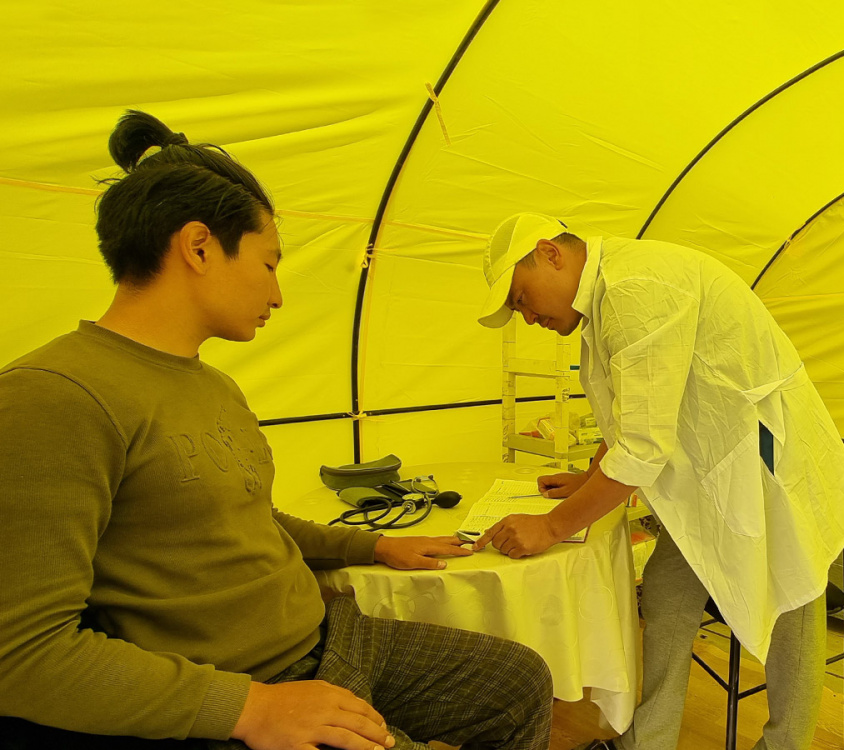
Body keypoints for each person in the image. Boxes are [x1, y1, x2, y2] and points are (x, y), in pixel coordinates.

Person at [0, 112, 552, 750]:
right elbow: (23, 655)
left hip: (328, 638)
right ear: (199, 248)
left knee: (518, 682)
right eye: (268, 264)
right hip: (243, 684)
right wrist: (248, 708)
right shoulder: (55, 397)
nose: (279, 294)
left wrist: (372, 547)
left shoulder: (213, 385)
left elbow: (249, 519)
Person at [473, 213, 844, 750]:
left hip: (765, 461)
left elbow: (642, 447)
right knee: (665, 589)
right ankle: (649, 740)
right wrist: (590, 476)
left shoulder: (636, 289)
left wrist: (550, 527)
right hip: (716, 467)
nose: (527, 317)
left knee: (791, 594)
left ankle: (785, 745)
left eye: (521, 298)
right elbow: (635, 412)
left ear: (551, 253)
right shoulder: (610, 293)